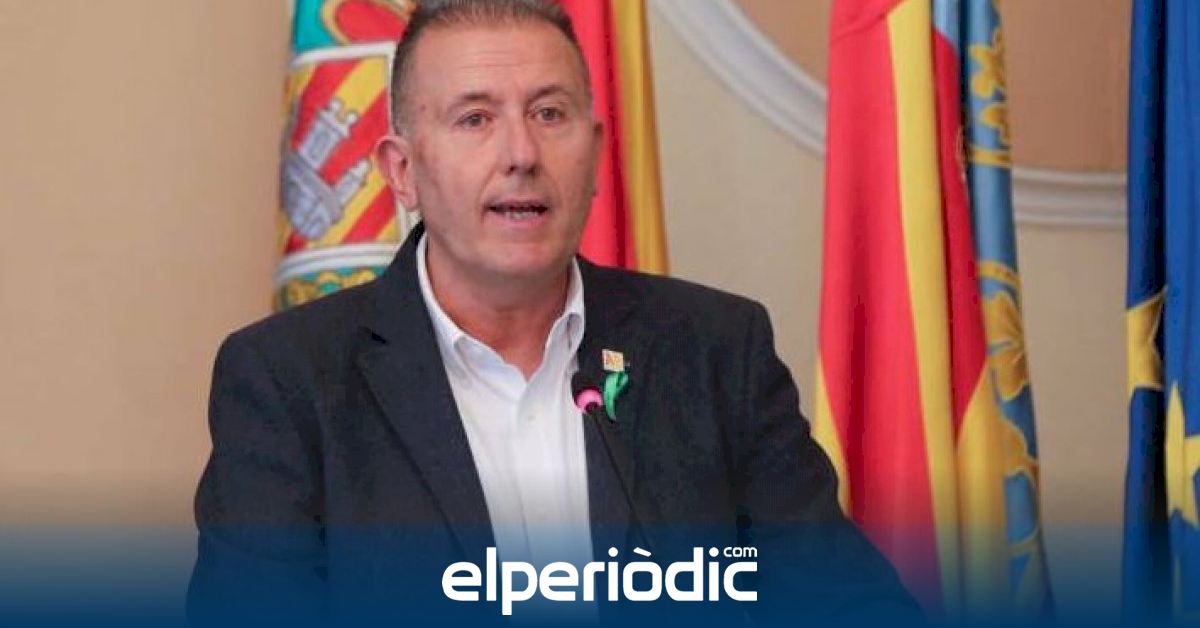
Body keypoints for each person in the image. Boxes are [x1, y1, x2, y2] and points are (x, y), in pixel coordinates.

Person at [188, 0, 917, 624]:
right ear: (402, 171)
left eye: (549, 113)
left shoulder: (714, 351)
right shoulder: (289, 382)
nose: (521, 153)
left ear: (594, 153)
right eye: (475, 118)